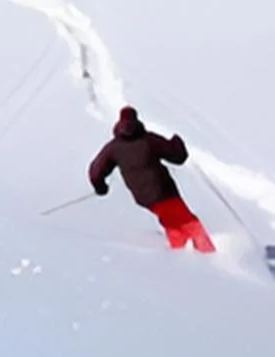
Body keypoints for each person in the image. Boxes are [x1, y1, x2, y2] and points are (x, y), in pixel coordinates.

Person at [89, 104, 215, 253]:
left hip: (143, 197)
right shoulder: (149, 140)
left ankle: (181, 254)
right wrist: (177, 141)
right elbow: (178, 157)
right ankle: (207, 255)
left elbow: (95, 171)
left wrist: (101, 187)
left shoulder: (113, 148)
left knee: (171, 221)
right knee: (189, 222)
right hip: (163, 191)